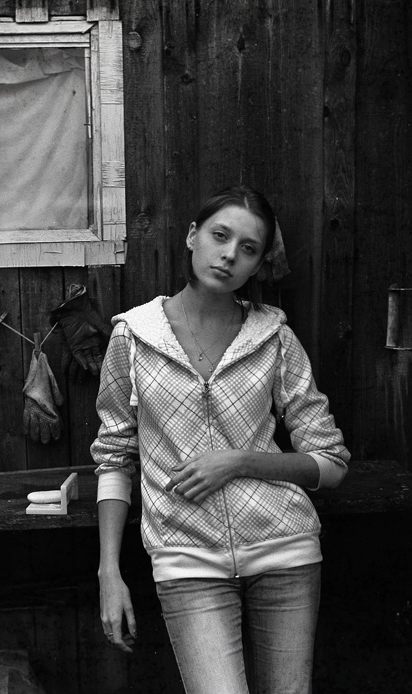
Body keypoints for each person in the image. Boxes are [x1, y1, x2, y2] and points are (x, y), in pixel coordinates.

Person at [91, 185, 350, 694]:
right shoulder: (134, 337)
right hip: (186, 562)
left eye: (248, 248)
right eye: (220, 236)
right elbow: (114, 458)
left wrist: (239, 462)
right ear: (193, 236)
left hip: (286, 553)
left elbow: (332, 463)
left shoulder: (274, 338)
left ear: (257, 265)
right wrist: (108, 572)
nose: (230, 254)